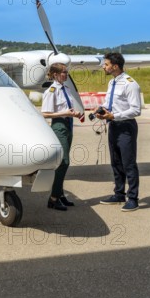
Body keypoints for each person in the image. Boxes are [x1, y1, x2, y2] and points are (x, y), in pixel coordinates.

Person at [96, 52, 142, 212]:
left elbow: (136, 110)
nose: (103, 66)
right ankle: (119, 194)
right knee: (115, 162)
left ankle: (133, 198)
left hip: (126, 127)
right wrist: (102, 109)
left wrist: (115, 115)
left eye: (106, 64)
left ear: (115, 66)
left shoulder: (130, 84)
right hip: (113, 125)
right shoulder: (111, 82)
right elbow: (110, 102)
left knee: (128, 163)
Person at [41, 63, 82, 211]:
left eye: (66, 72)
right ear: (55, 74)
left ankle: (60, 194)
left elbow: (66, 108)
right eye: (64, 72)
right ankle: (53, 198)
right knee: (63, 162)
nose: (66, 74)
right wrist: (65, 114)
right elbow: (45, 113)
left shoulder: (66, 89)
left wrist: (74, 113)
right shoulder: (51, 91)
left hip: (68, 124)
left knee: (64, 162)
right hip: (59, 126)